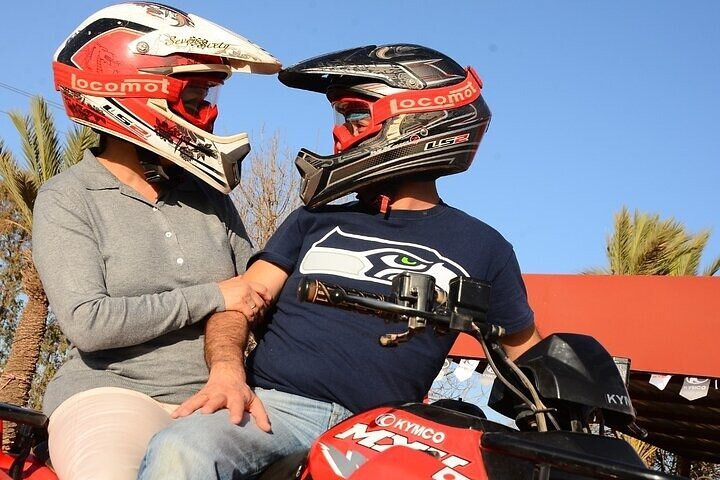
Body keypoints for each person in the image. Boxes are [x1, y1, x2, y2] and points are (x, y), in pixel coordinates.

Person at [137, 43, 542, 479]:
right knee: (182, 449)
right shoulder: (314, 220)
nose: (338, 133)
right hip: (275, 409)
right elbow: (243, 298)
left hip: (394, 432)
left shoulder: (484, 247)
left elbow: (531, 359)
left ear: (414, 120)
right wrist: (226, 371)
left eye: (353, 116)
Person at [31, 3, 281, 479]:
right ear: (135, 90)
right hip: (110, 393)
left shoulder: (209, 197)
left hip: (219, 396)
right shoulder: (68, 197)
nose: (209, 112)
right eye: (195, 95)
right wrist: (212, 296)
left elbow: (250, 296)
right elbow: (90, 323)